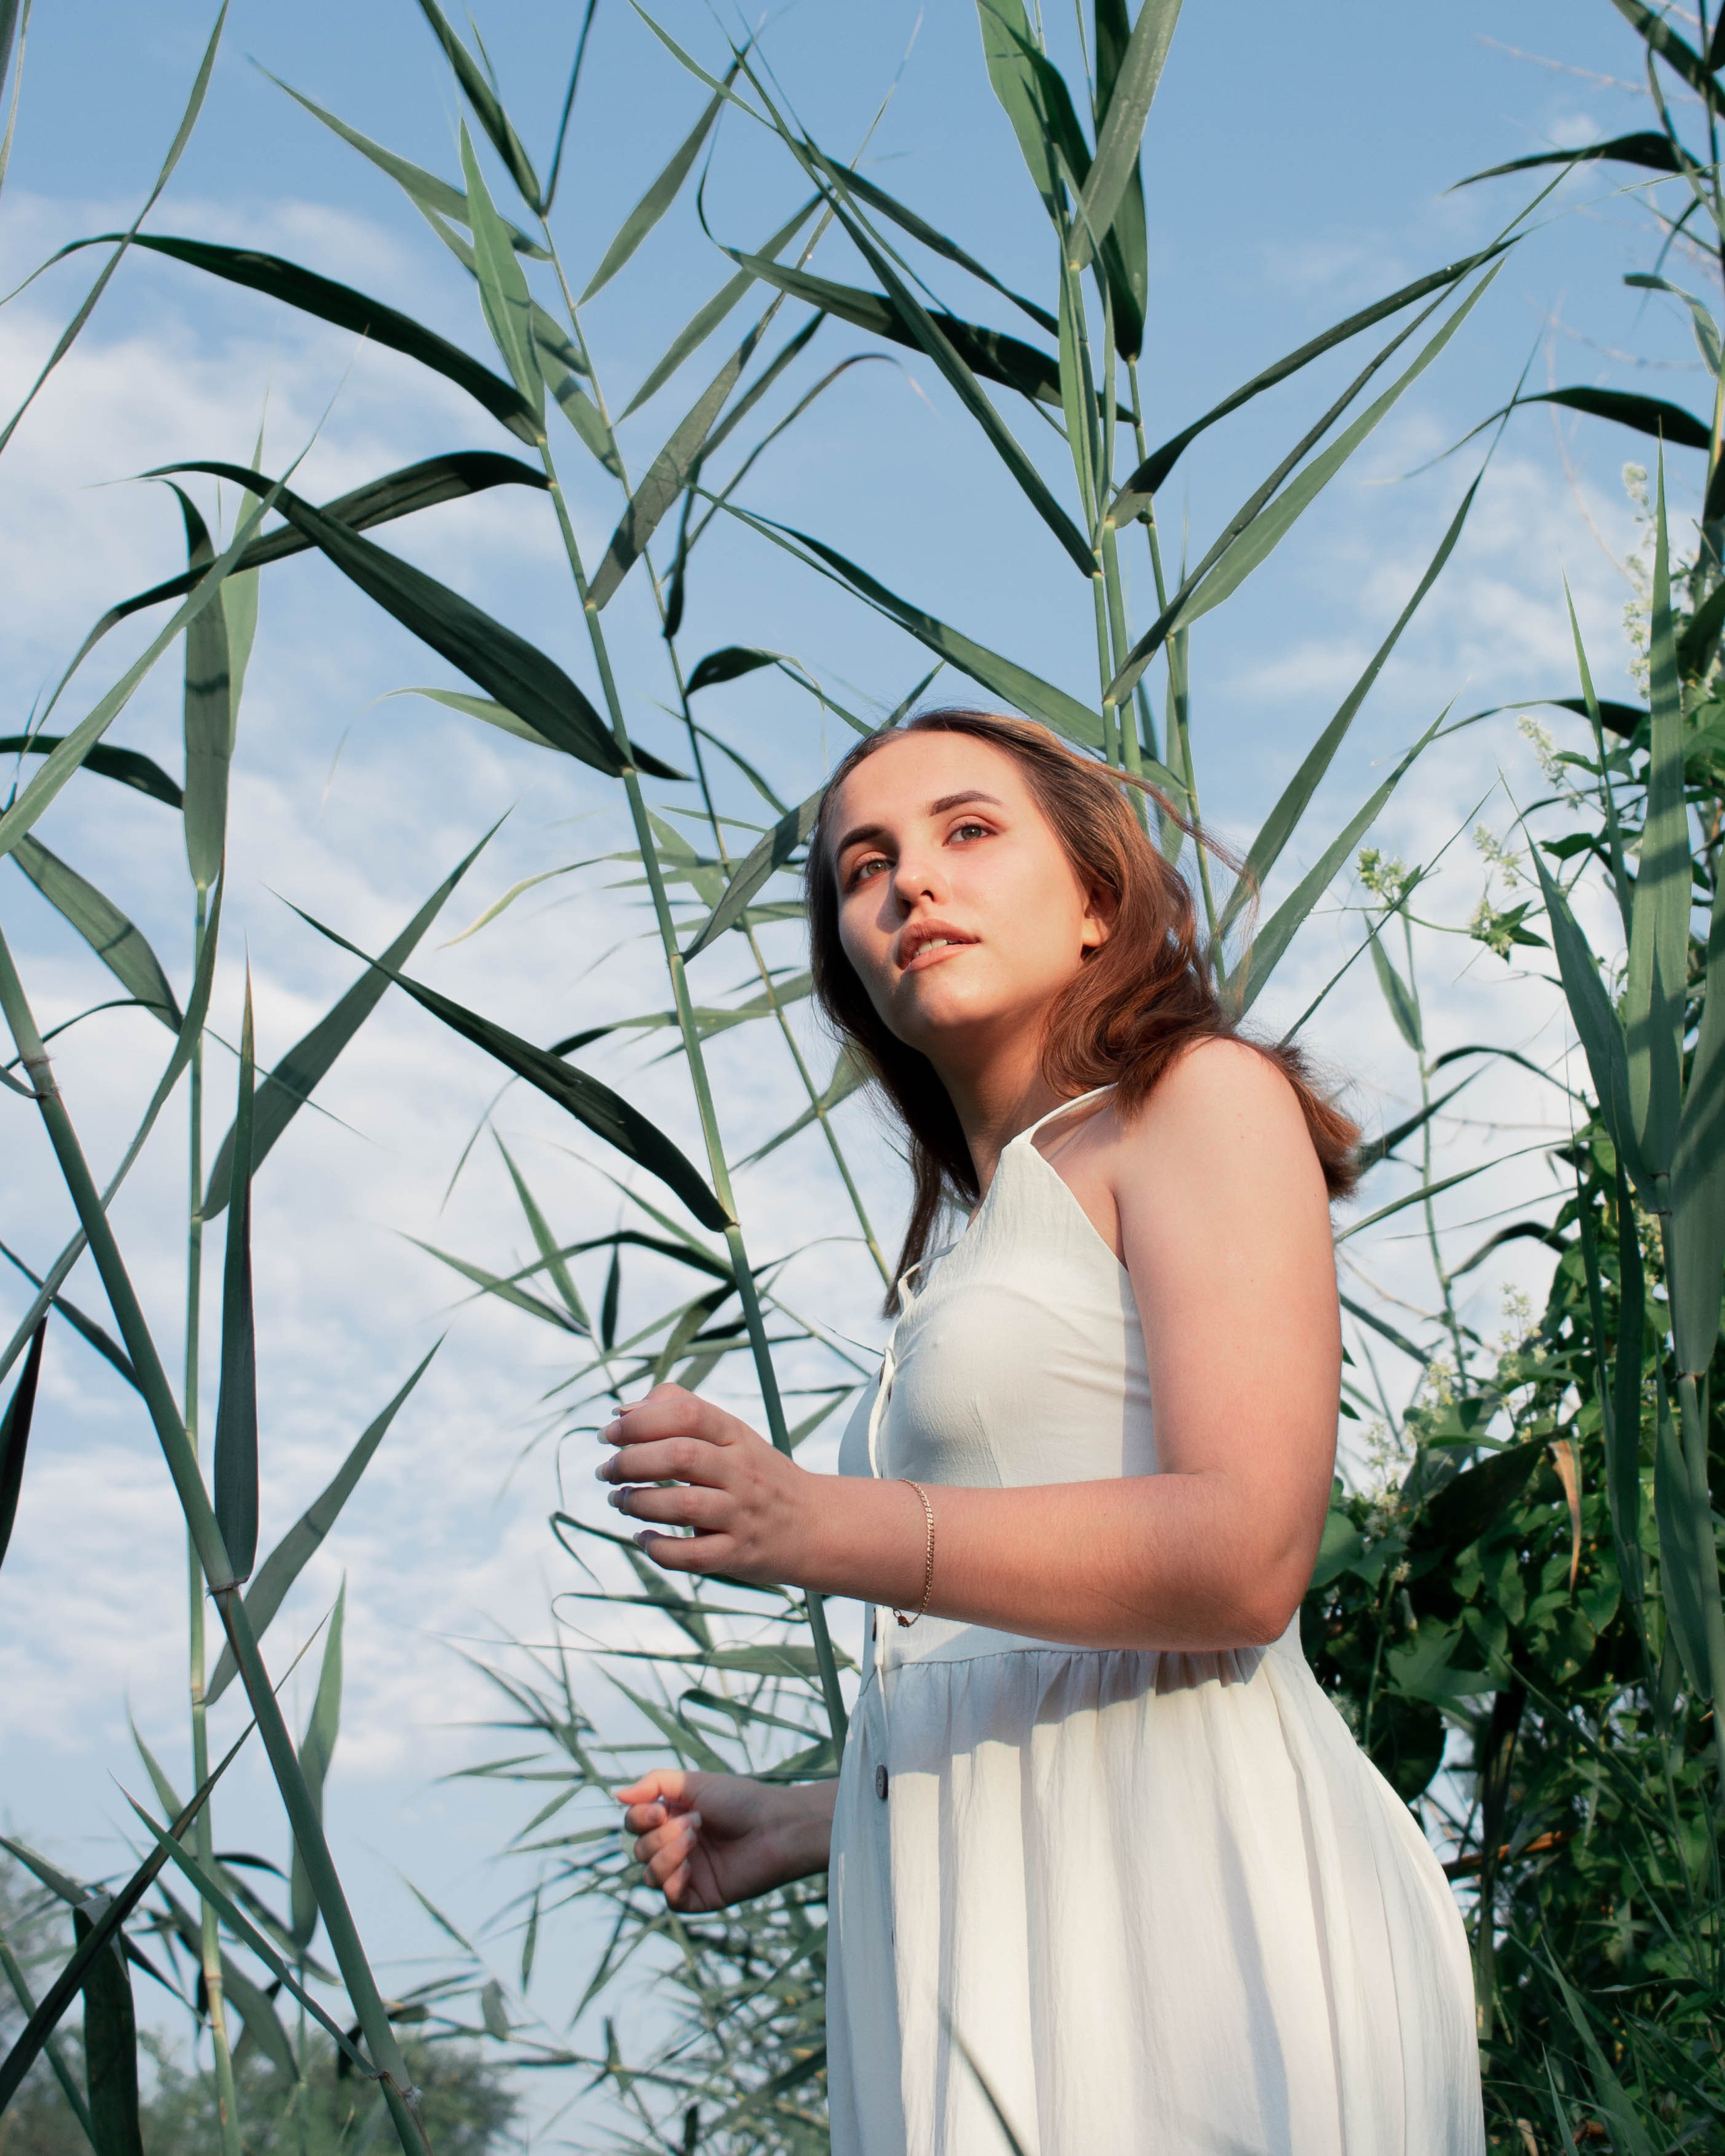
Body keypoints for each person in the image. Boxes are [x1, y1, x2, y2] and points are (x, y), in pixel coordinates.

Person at [604, 710, 1484, 2154]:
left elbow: (1245, 1556)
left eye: (967, 831)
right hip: (1007, 1923)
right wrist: (822, 1816)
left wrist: (810, 1521)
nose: (909, 882)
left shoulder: (1195, 1099)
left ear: (1094, 899)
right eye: (863, 867)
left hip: (1202, 1923)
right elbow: (1055, 1647)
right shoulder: (974, 1242)